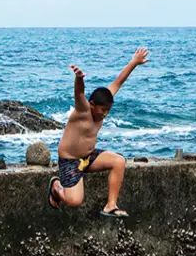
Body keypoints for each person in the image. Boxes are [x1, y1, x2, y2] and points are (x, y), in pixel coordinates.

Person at [47, 47, 150, 218]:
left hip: (88, 157)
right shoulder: (83, 111)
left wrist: (134, 62)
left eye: (108, 111)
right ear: (92, 104)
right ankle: (56, 187)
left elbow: (118, 82)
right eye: (103, 110)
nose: (105, 114)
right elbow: (79, 93)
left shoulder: (103, 106)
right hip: (70, 161)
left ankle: (111, 205)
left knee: (118, 161)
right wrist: (79, 78)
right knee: (74, 201)